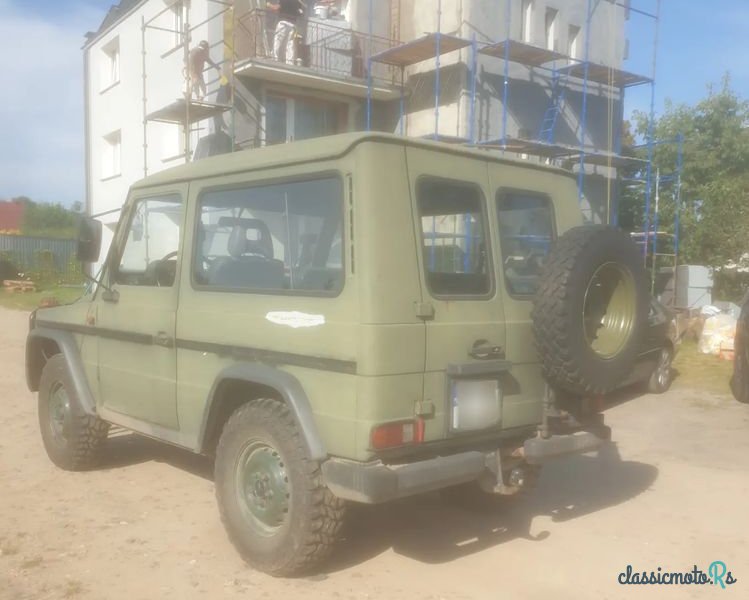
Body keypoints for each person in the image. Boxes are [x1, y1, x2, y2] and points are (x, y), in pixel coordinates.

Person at [267, 0, 304, 65]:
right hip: (292, 25)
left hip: (283, 23)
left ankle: (274, 58)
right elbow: (300, 13)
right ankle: (290, 62)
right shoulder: (297, 2)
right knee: (290, 44)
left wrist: (268, 4)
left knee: (278, 41)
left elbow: (276, 8)